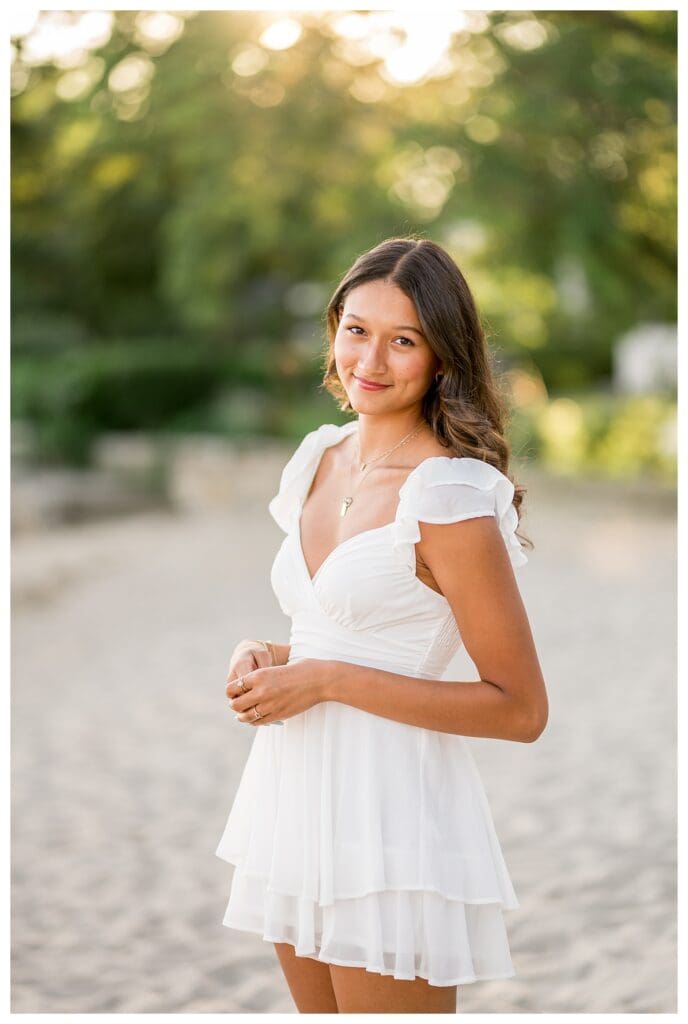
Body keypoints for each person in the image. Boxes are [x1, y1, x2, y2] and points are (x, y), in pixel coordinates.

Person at [215, 237, 549, 1014]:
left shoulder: (448, 496)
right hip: (293, 799)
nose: (371, 359)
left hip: (391, 812)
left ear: (442, 358)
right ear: (334, 327)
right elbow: (341, 631)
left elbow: (521, 709)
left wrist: (327, 680)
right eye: (357, 329)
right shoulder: (319, 459)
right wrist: (271, 653)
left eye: (404, 341)